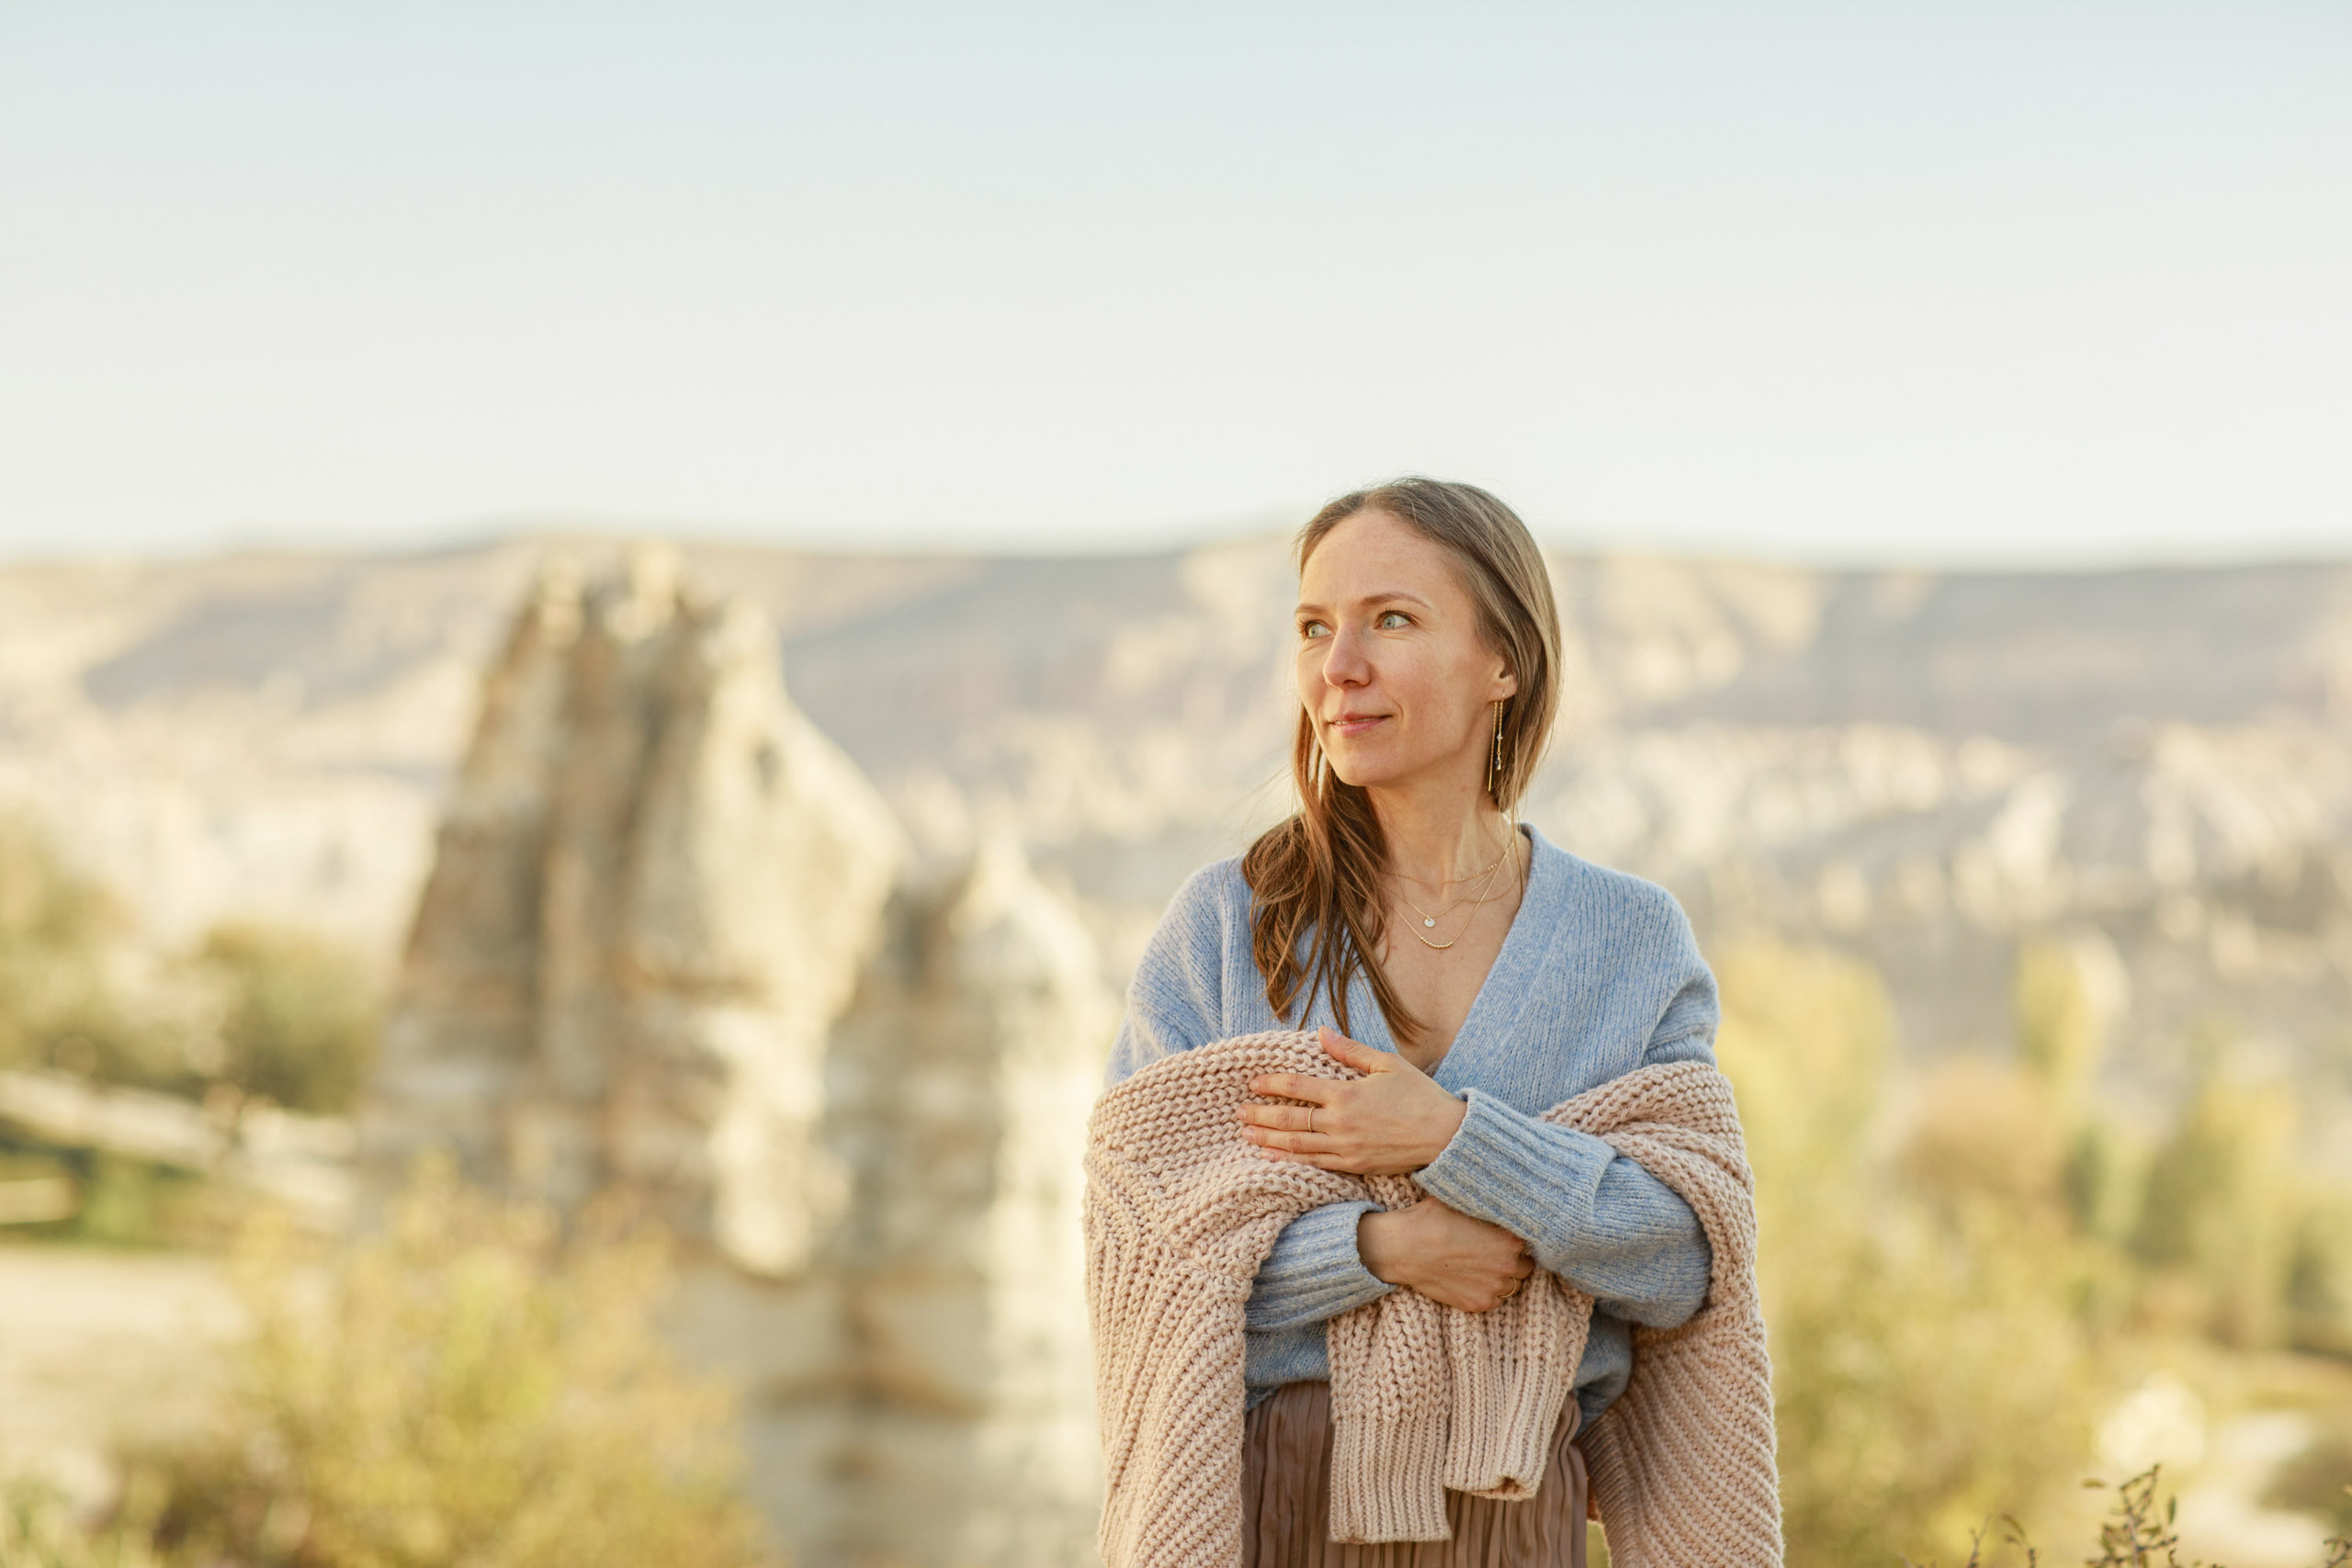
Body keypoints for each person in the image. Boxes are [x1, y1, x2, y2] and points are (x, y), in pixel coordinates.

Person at [1104, 478, 1725, 1566]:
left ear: (1505, 662)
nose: (1338, 667)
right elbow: (1148, 1268)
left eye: (1390, 619)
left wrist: (1450, 1141)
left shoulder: (1627, 940)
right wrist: (1383, 1249)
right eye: (1313, 628)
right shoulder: (1223, 929)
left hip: (1512, 1512)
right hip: (1261, 1507)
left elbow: (1682, 1259)